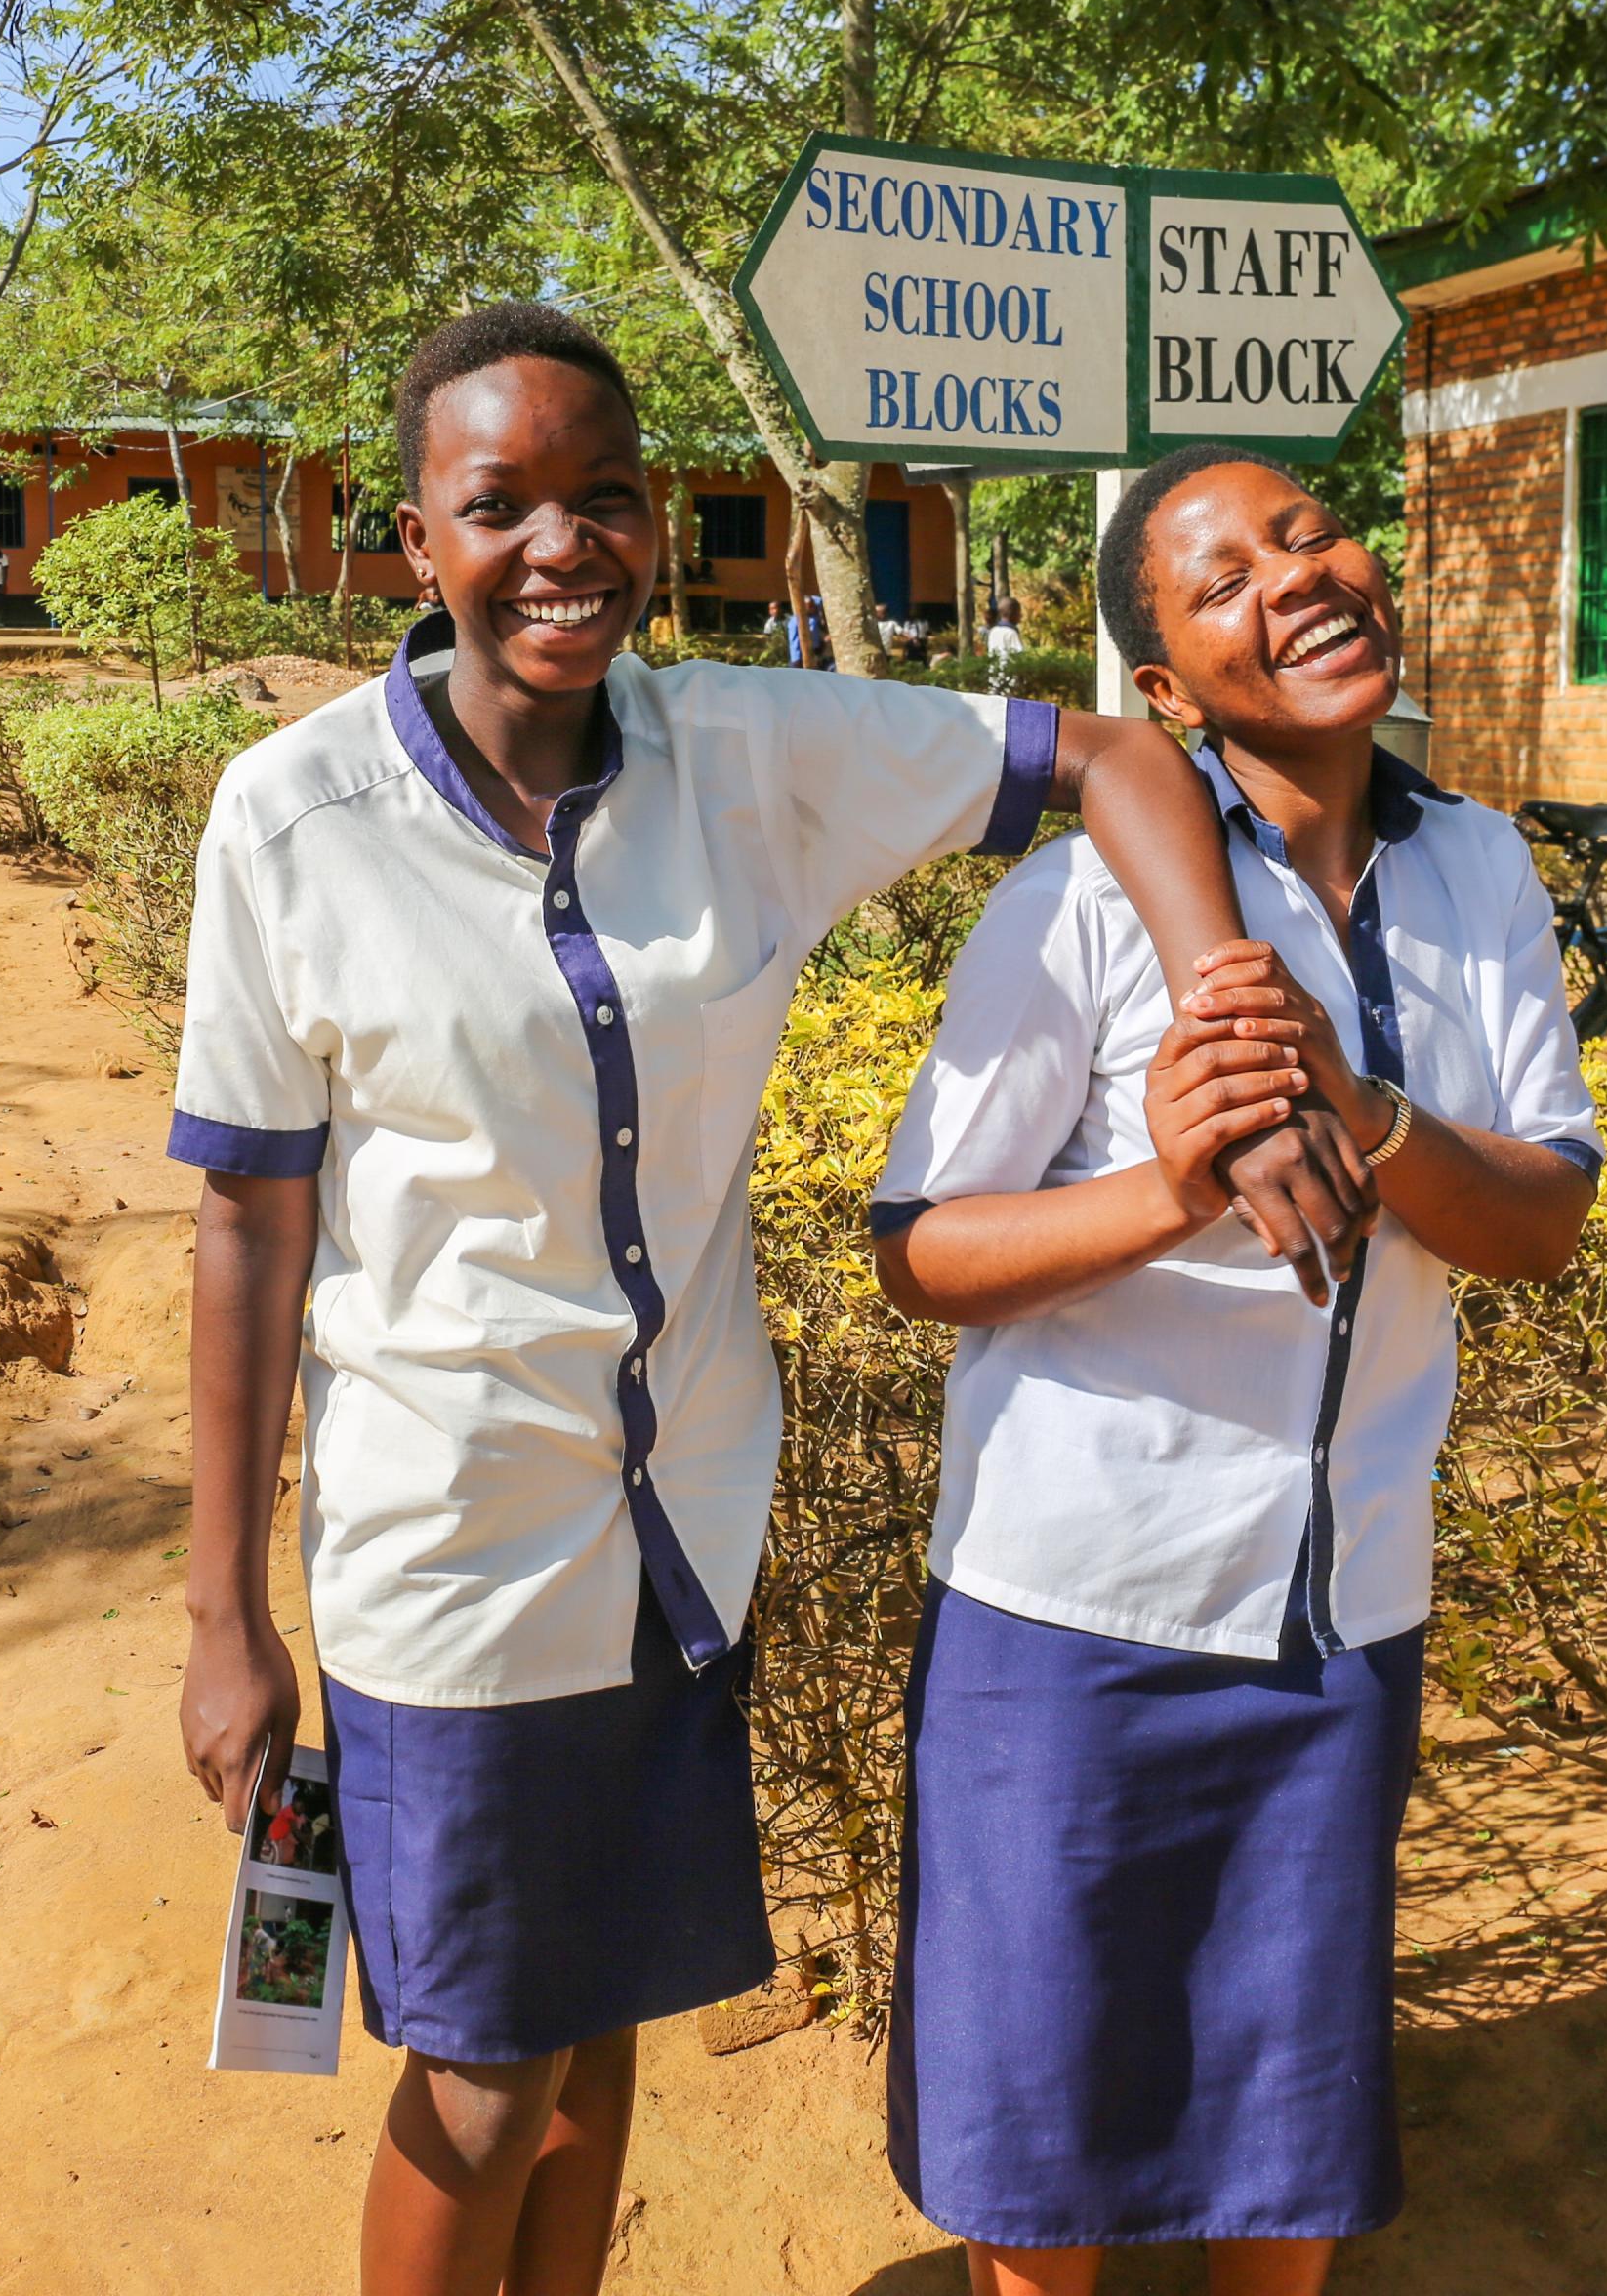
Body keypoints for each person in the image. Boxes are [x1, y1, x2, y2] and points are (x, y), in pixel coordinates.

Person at [173, 310, 1369, 2296]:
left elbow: (1113, 753)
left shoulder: (755, 749)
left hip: (681, 1521)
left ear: (657, 517)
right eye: (503, 505)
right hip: (447, 1539)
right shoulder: (291, 823)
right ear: (416, 539)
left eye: (607, 496)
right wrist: (221, 1610)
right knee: (478, 2072)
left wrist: (1229, 1006)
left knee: (601, 2016)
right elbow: (246, 1230)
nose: (565, 544)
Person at [869, 444, 1603, 2296]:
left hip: (1341, 1620)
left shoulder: (1479, 871)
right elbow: (918, 1248)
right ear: (1166, 691)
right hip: (1072, 1627)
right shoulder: (1081, 908)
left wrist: (1360, 1112)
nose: (1300, 577)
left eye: (1310, 533)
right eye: (1224, 580)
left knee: (1285, 2152)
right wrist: (1162, 1189)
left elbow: (1540, 1218)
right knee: (1046, 2173)